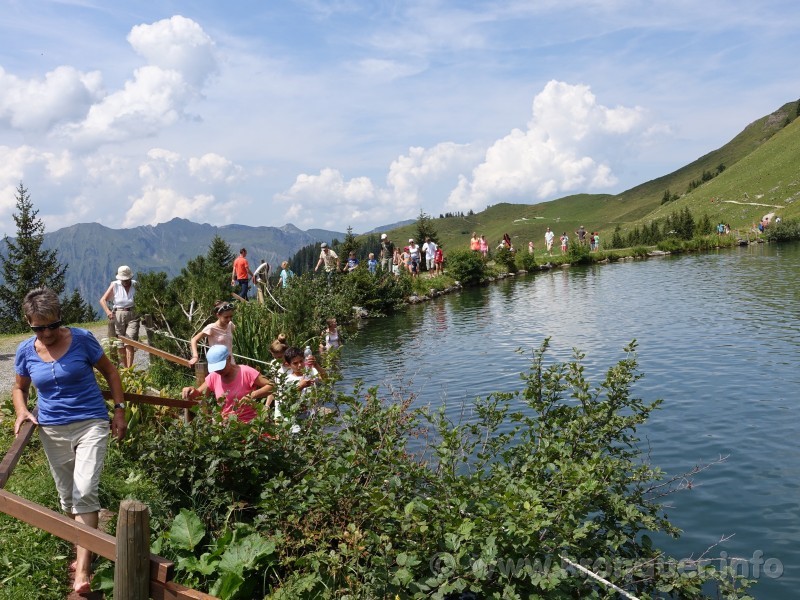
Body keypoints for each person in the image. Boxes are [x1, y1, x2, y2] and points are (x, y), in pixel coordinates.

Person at [13, 287, 126, 595]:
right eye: (39, 327)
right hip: (52, 430)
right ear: (29, 323)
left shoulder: (82, 339)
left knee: (85, 491)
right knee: (68, 499)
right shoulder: (26, 351)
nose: (47, 332)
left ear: (60, 318)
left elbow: (111, 373)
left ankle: (84, 568)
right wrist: (22, 411)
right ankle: (82, 543)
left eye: (51, 324)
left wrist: (119, 411)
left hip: (91, 423)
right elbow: (19, 388)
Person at [181, 345, 273, 423]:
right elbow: (199, 394)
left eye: (221, 366)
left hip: (250, 426)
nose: (218, 371)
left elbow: (272, 386)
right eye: (215, 368)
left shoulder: (246, 372)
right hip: (227, 427)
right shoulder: (214, 376)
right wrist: (191, 390)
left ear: (228, 358)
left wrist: (251, 395)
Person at [98, 265, 140, 368]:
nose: (124, 281)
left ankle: (129, 369)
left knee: (130, 341)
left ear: (130, 278)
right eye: (123, 279)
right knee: (120, 342)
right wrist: (108, 312)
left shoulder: (136, 285)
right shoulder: (115, 285)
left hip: (133, 313)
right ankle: (124, 368)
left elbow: (143, 299)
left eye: (126, 279)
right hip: (118, 314)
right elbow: (103, 300)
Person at [189, 301, 236, 367]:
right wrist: (195, 356)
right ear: (218, 315)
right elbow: (194, 339)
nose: (229, 319)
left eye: (231, 316)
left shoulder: (230, 325)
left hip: (231, 363)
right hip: (217, 364)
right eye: (226, 317)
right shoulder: (211, 328)